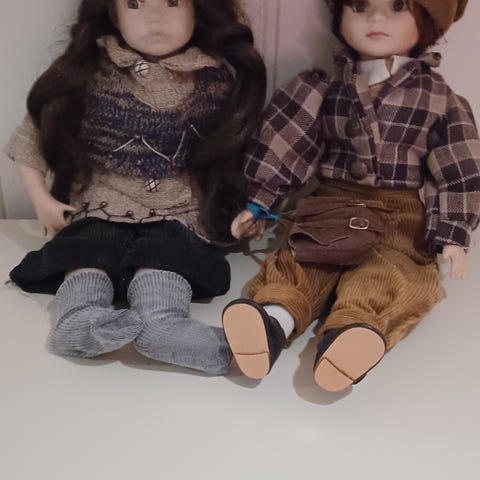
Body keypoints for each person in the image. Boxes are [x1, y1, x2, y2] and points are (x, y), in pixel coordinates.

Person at [222, 0, 480, 391]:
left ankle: (351, 334)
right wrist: (260, 201)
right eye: (359, 6)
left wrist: (453, 233)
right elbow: (288, 142)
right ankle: (273, 321)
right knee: (304, 261)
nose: (376, 18)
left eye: (397, 6)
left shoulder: (440, 100)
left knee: (390, 271)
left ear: (428, 21)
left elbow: (458, 167)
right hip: (330, 204)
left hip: (400, 215)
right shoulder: (324, 87)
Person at [5, 0, 266, 375]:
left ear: (198, 9)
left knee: (165, 260)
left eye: (172, 2)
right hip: (100, 205)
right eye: (134, 4)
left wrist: (248, 206)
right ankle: (78, 319)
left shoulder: (215, 80)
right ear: (112, 13)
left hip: (178, 213)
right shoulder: (89, 74)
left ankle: (163, 326)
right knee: (86, 254)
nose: (155, 18)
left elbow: (240, 154)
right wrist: (41, 199)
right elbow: (32, 136)